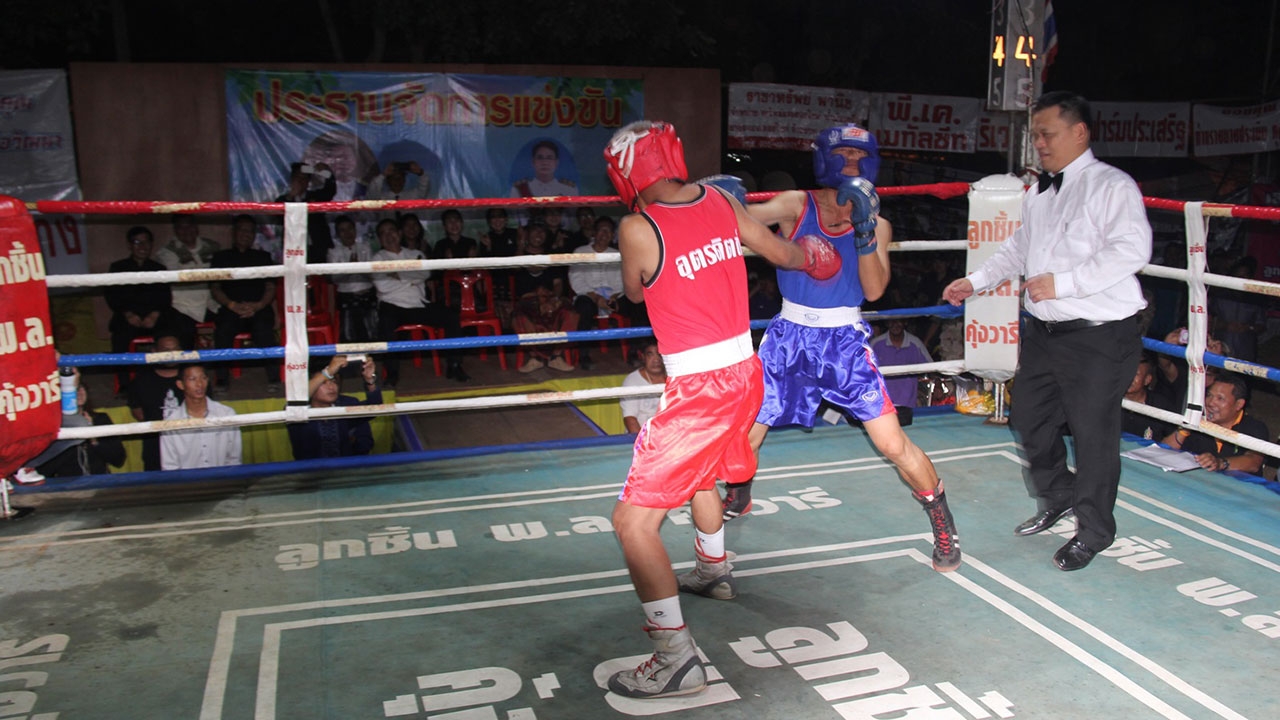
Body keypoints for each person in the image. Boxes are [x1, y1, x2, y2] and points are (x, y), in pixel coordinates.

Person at [601, 120, 841, 699]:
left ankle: (675, 659)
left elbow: (634, 290)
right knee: (701, 475)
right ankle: (713, 570)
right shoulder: (722, 201)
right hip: (744, 373)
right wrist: (819, 254)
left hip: (700, 389)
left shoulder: (637, 226)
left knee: (632, 523)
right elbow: (787, 254)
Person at [726, 123, 962, 575]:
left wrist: (865, 230)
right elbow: (744, 224)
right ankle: (738, 493)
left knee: (892, 443)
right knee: (746, 432)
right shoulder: (797, 204)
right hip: (788, 337)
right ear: (824, 158)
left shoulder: (880, 223)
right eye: (843, 154)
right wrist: (719, 202)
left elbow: (873, 291)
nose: (851, 163)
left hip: (843, 343)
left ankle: (942, 520)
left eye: (859, 155)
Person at [943, 91, 1152, 572]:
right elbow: (1018, 249)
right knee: (1029, 418)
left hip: (1100, 335)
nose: (1038, 143)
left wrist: (1065, 283)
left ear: (1079, 132)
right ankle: (1060, 496)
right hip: (1046, 333)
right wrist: (975, 281)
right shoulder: (1039, 192)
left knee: (1093, 435)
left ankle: (1094, 531)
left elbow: (1132, 249)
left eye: (1047, 133)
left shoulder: (1112, 186)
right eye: (1035, 134)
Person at [371, 218, 468, 385]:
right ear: (379, 239)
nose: (388, 236)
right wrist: (410, 277)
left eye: (391, 231)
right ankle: (391, 373)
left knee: (451, 316)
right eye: (383, 233)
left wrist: (397, 276)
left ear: (399, 233)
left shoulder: (416, 254)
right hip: (392, 305)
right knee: (385, 323)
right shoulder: (377, 259)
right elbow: (383, 286)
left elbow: (424, 274)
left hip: (419, 304)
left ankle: (454, 365)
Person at [105, 226, 181, 389]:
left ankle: (173, 377)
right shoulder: (118, 267)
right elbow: (112, 296)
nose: (142, 247)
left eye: (146, 242)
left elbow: (165, 298)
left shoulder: (159, 269)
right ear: (129, 245)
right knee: (119, 339)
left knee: (176, 331)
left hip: (155, 317)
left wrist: (154, 315)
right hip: (128, 317)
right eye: (137, 242)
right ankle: (124, 385)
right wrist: (128, 314)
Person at [210, 214, 279, 391]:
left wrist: (258, 305)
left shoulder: (263, 257)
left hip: (258, 308)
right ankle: (222, 380)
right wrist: (232, 305)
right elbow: (215, 288)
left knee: (264, 330)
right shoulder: (220, 257)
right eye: (242, 230)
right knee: (223, 331)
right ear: (233, 232)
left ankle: (274, 378)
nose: (246, 234)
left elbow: (270, 287)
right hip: (231, 308)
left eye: (250, 231)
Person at [568, 215, 646, 370]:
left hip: (614, 296)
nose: (605, 234)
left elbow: (623, 280)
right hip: (588, 296)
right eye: (601, 230)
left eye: (609, 231)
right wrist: (597, 298)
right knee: (584, 308)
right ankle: (584, 356)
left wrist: (613, 298)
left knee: (638, 304)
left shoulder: (617, 254)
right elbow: (576, 280)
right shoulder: (580, 251)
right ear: (594, 233)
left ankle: (634, 352)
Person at [1161, 375, 1268, 474]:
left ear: (1239, 404)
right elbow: (1163, 451)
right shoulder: (1199, 421)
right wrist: (1186, 428)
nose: (1210, 403)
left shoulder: (1255, 427)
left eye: (1220, 398)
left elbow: (1254, 462)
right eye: (1209, 395)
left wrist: (1220, 463)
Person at [288, 356, 383, 459]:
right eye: (323, 382)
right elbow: (298, 399)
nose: (331, 387)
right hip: (309, 469)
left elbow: (375, 407)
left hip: (346, 467)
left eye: (334, 381)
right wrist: (328, 372)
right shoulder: (297, 411)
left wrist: (370, 380)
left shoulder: (346, 404)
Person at [153, 214, 221, 349]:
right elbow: (177, 278)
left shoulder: (213, 247)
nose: (186, 231)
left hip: (212, 304)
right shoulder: (166, 253)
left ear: (196, 227)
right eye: (181, 227)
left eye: (189, 226)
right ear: (175, 230)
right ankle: (187, 362)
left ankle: (224, 362)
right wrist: (209, 275)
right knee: (184, 335)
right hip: (182, 307)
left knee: (228, 325)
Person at [35, 381, 126, 478]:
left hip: (100, 481)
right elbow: (43, 470)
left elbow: (118, 460)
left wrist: (93, 437)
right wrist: (70, 439)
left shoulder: (100, 419)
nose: (78, 392)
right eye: (72, 390)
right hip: (68, 483)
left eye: (81, 388)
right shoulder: (54, 425)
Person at [160, 363, 242, 470]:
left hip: (222, 479)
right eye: (192, 379)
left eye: (203, 378)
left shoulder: (226, 414)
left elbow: (234, 459)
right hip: (187, 480)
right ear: (180, 384)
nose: (199, 384)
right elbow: (170, 467)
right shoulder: (170, 423)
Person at [127, 333, 186, 471]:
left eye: (176, 349)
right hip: (155, 446)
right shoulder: (141, 381)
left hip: (189, 442)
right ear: (155, 352)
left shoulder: (193, 377)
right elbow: (138, 413)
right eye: (166, 350)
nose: (172, 354)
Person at [511, 276, 579, 372]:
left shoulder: (552, 270)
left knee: (570, 313)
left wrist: (552, 300)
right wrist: (538, 300)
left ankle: (556, 357)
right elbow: (522, 296)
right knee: (518, 317)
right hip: (530, 305)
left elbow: (558, 286)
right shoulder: (522, 273)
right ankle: (535, 357)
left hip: (553, 300)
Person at [328, 215, 378, 344]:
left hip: (367, 294)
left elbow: (373, 275)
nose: (347, 233)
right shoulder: (333, 252)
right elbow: (334, 278)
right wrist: (350, 269)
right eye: (342, 230)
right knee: (350, 333)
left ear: (355, 230)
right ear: (338, 234)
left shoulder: (365, 247)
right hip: (347, 296)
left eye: (350, 228)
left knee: (372, 331)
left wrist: (359, 268)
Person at [276, 161, 337, 262]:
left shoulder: (316, 197)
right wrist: (291, 196)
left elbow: (330, 190)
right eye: (298, 178)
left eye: (304, 178)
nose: (301, 181)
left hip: (318, 248)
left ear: (309, 181)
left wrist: (327, 173)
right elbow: (278, 216)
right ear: (292, 179)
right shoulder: (283, 200)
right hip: (294, 250)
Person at [868, 317, 933, 410]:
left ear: (905, 322)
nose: (895, 324)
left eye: (899, 321)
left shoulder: (915, 344)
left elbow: (931, 368)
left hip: (909, 405)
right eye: (892, 321)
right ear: (887, 323)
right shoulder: (876, 344)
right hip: (882, 406)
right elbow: (864, 371)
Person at [1121, 353, 1176, 441]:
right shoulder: (1109, 399)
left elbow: (1173, 439)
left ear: (1147, 380)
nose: (1129, 378)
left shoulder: (1160, 405)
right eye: (1126, 372)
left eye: (1136, 374)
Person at [620, 340, 666, 434]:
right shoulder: (632, 381)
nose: (656, 360)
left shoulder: (674, 377)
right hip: (643, 435)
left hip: (671, 435)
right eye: (650, 354)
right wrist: (642, 441)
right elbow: (630, 418)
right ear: (643, 357)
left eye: (659, 354)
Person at [510, 140, 577, 198]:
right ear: (533, 162)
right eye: (540, 157)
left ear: (556, 162)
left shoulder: (569, 189)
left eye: (549, 158)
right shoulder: (519, 190)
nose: (545, 162)